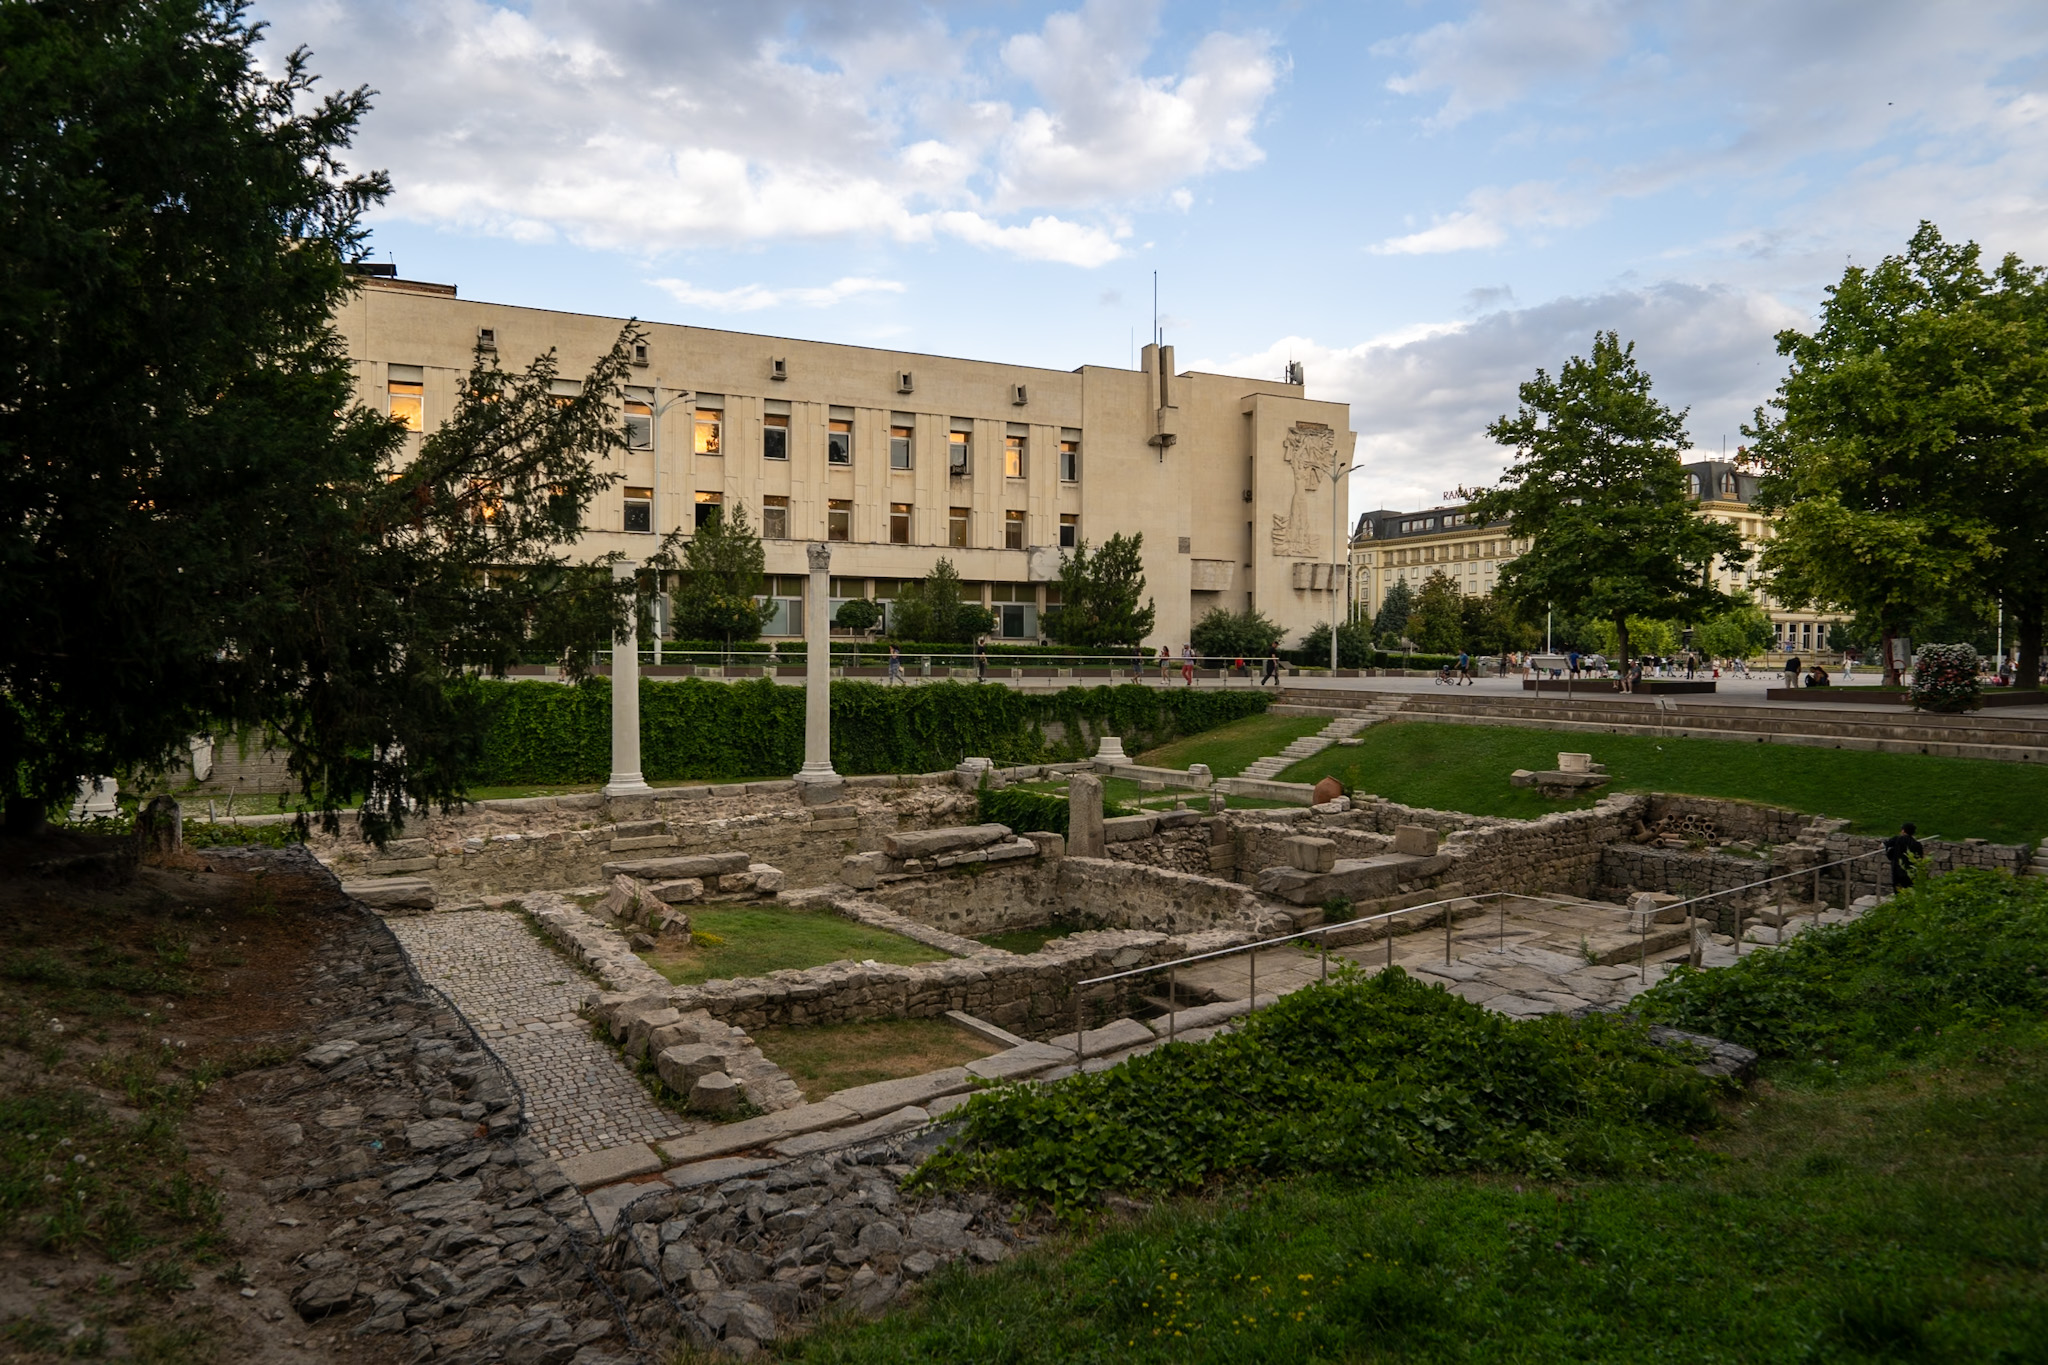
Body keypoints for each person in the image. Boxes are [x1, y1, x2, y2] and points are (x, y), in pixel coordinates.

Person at [1883, 822, 1923, 891]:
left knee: (1898, 891)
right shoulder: (1917, 844)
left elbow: (1884, 845)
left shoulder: (1897, 839)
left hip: (1898, 872)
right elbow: (1920, 858)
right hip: (1911, 873)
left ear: (1903, 831)